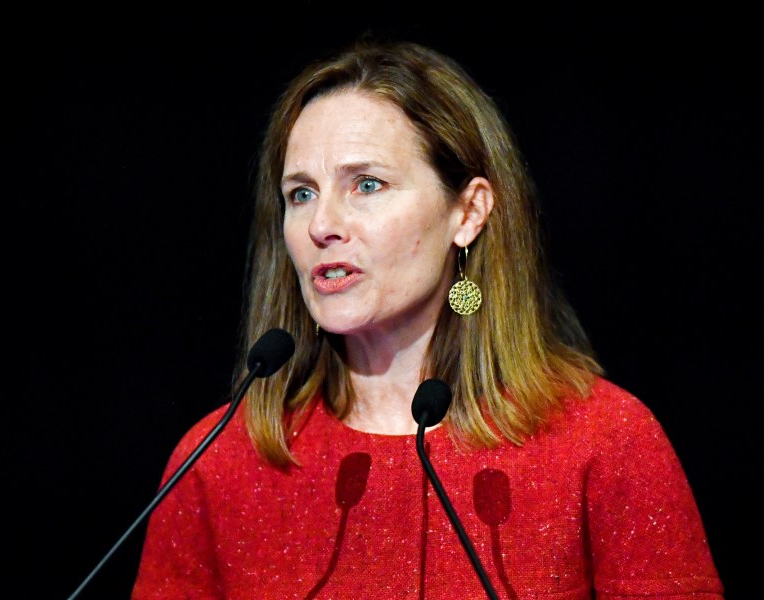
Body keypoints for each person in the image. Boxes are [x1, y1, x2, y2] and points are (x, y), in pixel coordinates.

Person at [131, 35, 724, 599]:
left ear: (467, 213)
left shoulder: (607, 443)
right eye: (301, 193)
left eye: (366, 184)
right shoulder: (217, 463)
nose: (320, 226)